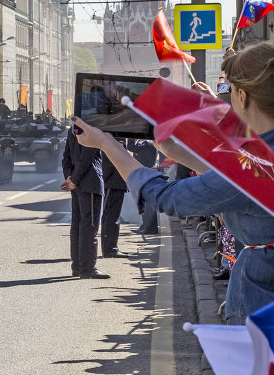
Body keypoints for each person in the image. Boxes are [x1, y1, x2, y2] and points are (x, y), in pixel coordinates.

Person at [72, 40, 274, 323]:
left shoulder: (254, 164)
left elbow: (168, 198)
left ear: (243, 96)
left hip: (262, 304)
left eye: (229, 89)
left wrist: (109, 145)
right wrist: (176, 152)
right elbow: (233, 183)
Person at [61, 124, 107, 279]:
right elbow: (86, 158)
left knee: (78, 225)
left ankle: (77, 266)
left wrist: (69, 177)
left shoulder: (72, 128)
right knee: (90, 226)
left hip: (77, 183)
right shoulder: (92, 129)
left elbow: (66, 157)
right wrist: (73, 179)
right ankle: (87, 267)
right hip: (89, 182)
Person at [101, 147, 129, 258]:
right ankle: (110, 249)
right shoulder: (114, 137)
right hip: (112, 182)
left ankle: (111, 247)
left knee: (113, 217)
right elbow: (110, 161)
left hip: (116, 182)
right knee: (111, 217)